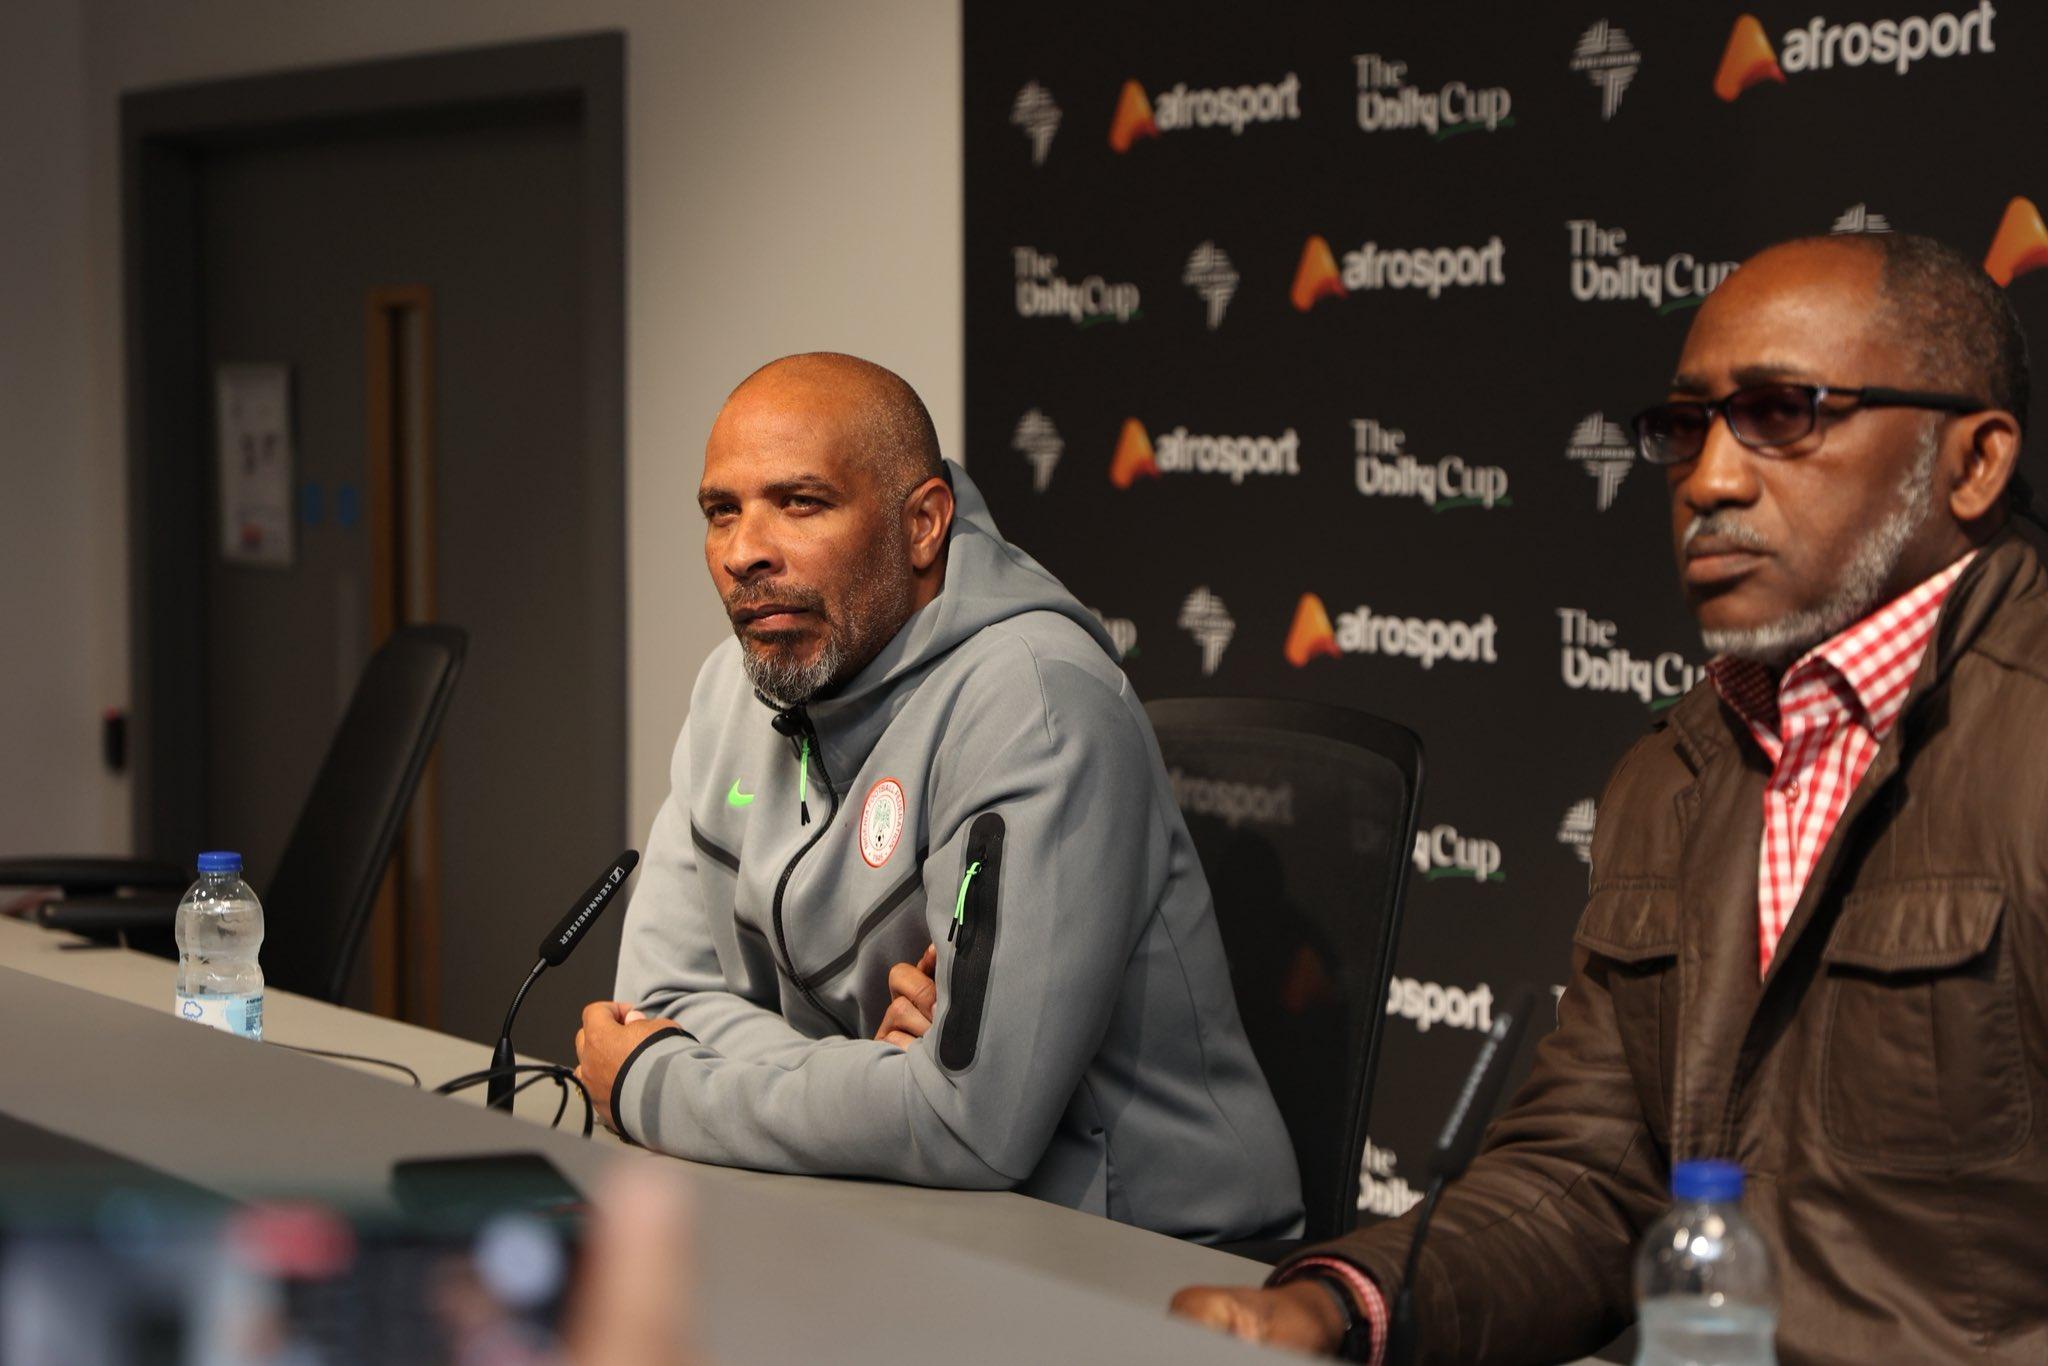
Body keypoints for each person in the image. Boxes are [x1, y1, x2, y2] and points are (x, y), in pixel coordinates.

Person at [1171, 232, 2048, 1361]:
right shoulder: (1673, 773)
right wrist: (1336, 1308)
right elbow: (1589, 1175)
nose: (1710, 480)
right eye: (1685, 426)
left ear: (1971, 463)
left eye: (1783, 414)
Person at [572, 352, 1302, 1243]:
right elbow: (658, 1003)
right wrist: (873, 1087)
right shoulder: (733, 685)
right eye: (722, 511)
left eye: (800, 503)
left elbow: (969, 1126)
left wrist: (659, 1085)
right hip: (897, 1212)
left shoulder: (1036, 702)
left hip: (1146, 1257)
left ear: (922, 525)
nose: (742, 551)